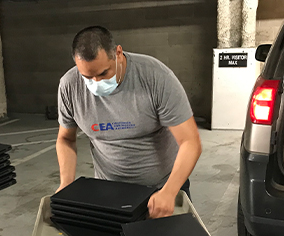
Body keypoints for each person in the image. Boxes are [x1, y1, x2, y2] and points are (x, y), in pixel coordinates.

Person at [56, 26, 203, 219]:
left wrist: (169, 192)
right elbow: (66, 139)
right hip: (108, 191)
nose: (96, 82)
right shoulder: (69, 86)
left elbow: (190, 142)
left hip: (162, 189)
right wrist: (66, 184)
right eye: (87, 77)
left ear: (118, 53)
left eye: (103, 73)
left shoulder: (155, 77)